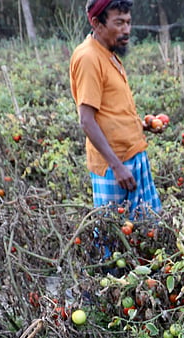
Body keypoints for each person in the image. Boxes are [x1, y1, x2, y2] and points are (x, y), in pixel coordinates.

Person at [69, 0, 161, 218]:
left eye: (128, 22)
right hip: (115, 165)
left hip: (132, 155)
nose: (126, 30)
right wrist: (117, 166)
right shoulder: (89, 58)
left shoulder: (108, 52)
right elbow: (86, 120)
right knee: (111, 237)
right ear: (96, 23)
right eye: (119, 23)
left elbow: (111, 112)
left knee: (147, 230)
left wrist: (141, 125)